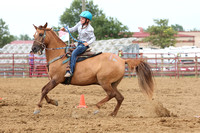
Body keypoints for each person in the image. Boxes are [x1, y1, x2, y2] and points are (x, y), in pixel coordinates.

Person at [60, 11, 96, 77]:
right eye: (81, 18)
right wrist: (64, 29)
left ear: (87, 20)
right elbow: (73, 29)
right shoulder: (79, 24)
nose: (80, 19)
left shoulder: (90, 29)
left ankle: (70, 71)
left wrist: (87, 43)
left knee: (74, 53)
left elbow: (93, 38)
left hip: (83, 45)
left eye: (82, 18)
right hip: (78, 43)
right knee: (67, 50)